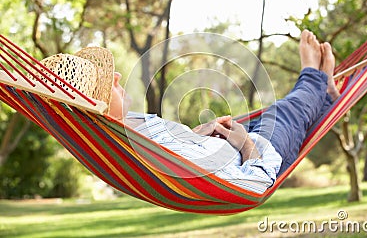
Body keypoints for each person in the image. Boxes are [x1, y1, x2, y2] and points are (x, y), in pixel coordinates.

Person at [40, 30, 340, 194]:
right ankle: (313, 75)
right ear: (98, 110)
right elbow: (257, 183)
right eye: (106, 84)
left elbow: (181, 155)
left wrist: (200, 133)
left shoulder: (133, 130)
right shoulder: (136, 149)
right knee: (287, 111)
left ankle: (326, 95)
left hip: (235, 141)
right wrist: (243, 143)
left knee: (285, 111)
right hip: (261, 153)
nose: (117, 77)